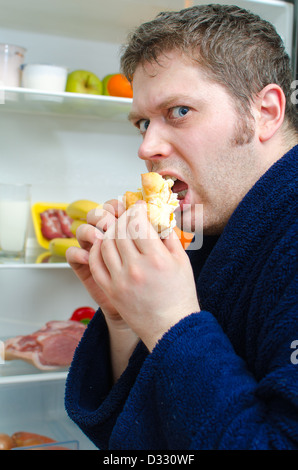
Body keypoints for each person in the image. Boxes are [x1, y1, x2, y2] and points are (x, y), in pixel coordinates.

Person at [65, 4, 298, 450]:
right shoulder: (211, 227)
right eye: (142, 123)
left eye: (179, 111)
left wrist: (170, 320)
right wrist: (125, 319)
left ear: (266, 111)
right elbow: (127, 435)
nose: (147, 146)